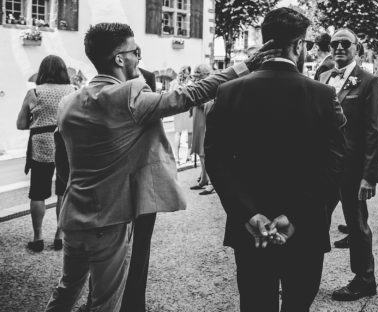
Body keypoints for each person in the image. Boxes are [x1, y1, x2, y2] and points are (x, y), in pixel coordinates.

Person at [45, 22, 277, 312]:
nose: (139, 58)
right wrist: (245, 66)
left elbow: (62, 163)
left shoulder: (69, 102)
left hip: (73, 216)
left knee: (66, 291)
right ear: (120, 58)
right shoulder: (127, 97)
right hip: (109, 221)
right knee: (105, 302)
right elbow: (191, 94)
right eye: (135, 51)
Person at [205, 7, 346, 312]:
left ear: (265, 42)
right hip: (304, 225)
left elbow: (216, 160)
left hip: (251, 227)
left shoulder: (229, 91)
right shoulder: (323, 94)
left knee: (256, 303)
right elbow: (334, 162)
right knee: (298, 303)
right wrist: (295, 214)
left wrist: (248, 214)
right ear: (297, 45)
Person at [319, 28, 378, 301]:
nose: (338, 48)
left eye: (345, 43)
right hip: (323, 167)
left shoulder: (369, 82)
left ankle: (364, 279)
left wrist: (370, 175)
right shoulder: (322, 77)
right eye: (334, 43)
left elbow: (376, 130)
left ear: (357, 48)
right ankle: (304, 272)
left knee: (356, 224)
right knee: (314, 221)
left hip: (352, 167)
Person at [16, 55, 75, 252]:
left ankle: (38, 237)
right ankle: (60, 236)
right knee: (63, 192)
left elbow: (21, 124)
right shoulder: (73, 91)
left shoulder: (33, 92)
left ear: (42, 71)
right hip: (65, 144)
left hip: (40, 144)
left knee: (38, 192)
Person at [189, 64, 215, 195]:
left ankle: (211, 182)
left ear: (205, 74)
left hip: (206, 120)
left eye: (198, 75)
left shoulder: (212, 83)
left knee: (205, 152)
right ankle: (204, 178)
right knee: (200, 152)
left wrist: (201, 102)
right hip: (198, 119)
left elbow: (213, 102)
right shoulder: (200, 83)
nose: (196, 78)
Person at [169, 66, 194, 164]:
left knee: (178, 133)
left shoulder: (174, 83)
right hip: (188, 110)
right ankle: (188, 155)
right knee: (190, 133)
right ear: (187, 73)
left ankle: (176, 157)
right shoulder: (191, 83)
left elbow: (169, 96)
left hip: (178, 111)